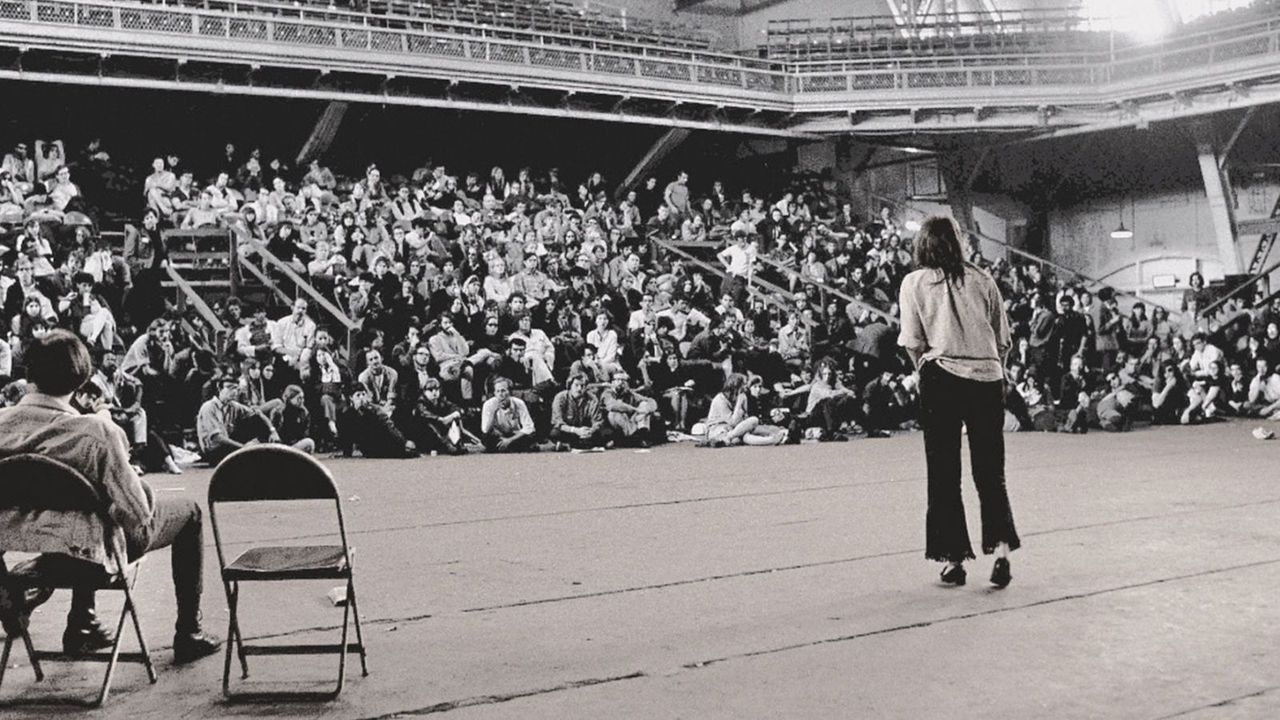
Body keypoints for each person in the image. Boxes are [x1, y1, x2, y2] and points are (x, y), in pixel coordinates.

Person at [0, 330, 220, 661]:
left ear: (28, 373)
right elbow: (139, 517)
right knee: (187, 513)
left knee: (86, 512)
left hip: (24, 541)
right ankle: (189, 631)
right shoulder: (95, 433)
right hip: (91, 555)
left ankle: (83, 623)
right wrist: (139, 485)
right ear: (82, 378)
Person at [897, 216, 1020, 589]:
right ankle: (1000, 553)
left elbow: (911, 340)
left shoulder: (914, 282)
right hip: (986, 377)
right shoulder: (983, 280)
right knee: (990, 472)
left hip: (942, 378)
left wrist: (922, 368)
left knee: (944, 473)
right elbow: (1003, 339)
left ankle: (954, 561)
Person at [704, 373, 787, 447]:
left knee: (749, 428)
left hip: (734, 429)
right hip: (718, 429)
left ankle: (772, 440)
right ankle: (728, 437)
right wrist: (739, 404)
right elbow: (732, 422)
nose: (745, 387)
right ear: (736, 386)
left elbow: (745, 418)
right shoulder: (720, 399)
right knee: (748, 427)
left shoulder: (740, 396)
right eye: (743, 384)